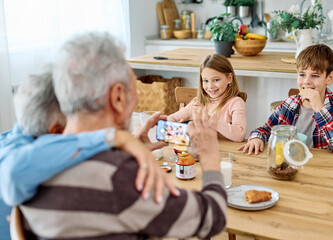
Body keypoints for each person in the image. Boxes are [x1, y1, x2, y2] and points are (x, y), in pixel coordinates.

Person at [20, 32, 226, 239]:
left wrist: (126, 149)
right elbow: (212, 218)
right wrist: (210, 156)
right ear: (118, 96)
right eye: (132, 87)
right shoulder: (121, 178)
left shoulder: (27, 164)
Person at [0, 69, 176, 240]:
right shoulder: (14, 161)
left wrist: (133, 144)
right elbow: (14, 173)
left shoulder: (24, 139)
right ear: (56, 132)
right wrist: (114, 137)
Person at [239, 44, 333, 156]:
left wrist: (319, 109)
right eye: (302, 74)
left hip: (324, 167)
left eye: (315, 76)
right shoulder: (289, 103)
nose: (306, 81)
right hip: (290, 162)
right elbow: (265, 130)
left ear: (329, 78)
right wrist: (256, 138)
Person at [167, 54, 247, 142]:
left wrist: (208, 119)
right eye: (205, 81)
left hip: (223, 152)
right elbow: (171, 119)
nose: (210, 86)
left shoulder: (236, 103)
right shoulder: (197, 102)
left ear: (229, 78)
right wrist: (179, 127)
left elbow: (240, 135)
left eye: (216, 80)